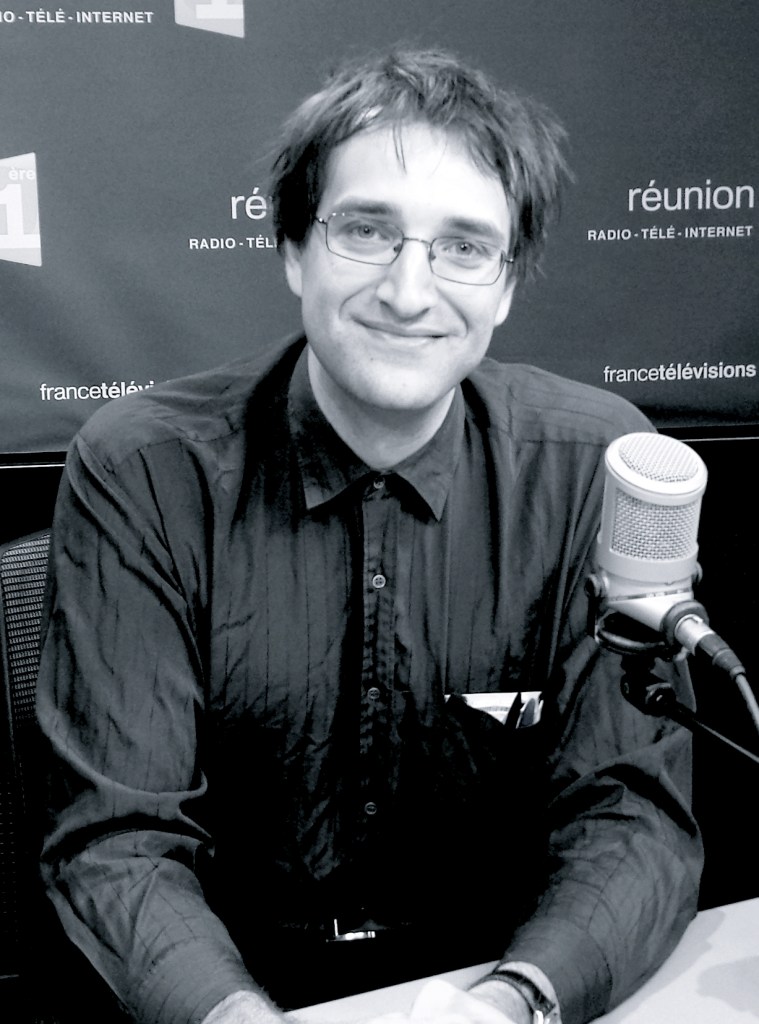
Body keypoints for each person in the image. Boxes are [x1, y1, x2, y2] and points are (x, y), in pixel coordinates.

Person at [36, 47, 703, 1024]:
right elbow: (117, 838)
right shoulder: (144, 469)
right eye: (366, 231)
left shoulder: (590, 469)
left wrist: (514, 1001)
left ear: (506, 285)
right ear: (293, 249)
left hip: (491, 980)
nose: (407, 290)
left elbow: (631, 812)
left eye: (464, 246)